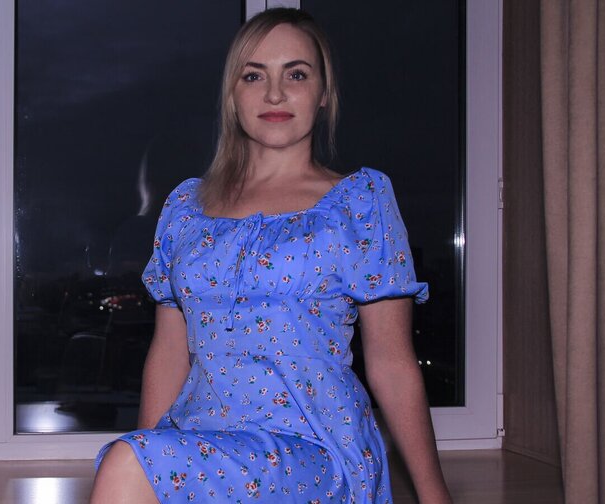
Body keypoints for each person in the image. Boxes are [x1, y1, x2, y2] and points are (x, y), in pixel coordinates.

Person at [89, 8, 452, 503]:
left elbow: (392, 363)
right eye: (254, 76)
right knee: (130, 461)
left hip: (315, 447)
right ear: (232, 95)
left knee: (126, 463)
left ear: (323, 94)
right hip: (202, 439)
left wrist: (434, 496)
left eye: (296, 75)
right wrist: (149, 458)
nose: (275, 94)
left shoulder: (358, 202)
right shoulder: (185, 209)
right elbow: (169, 352)